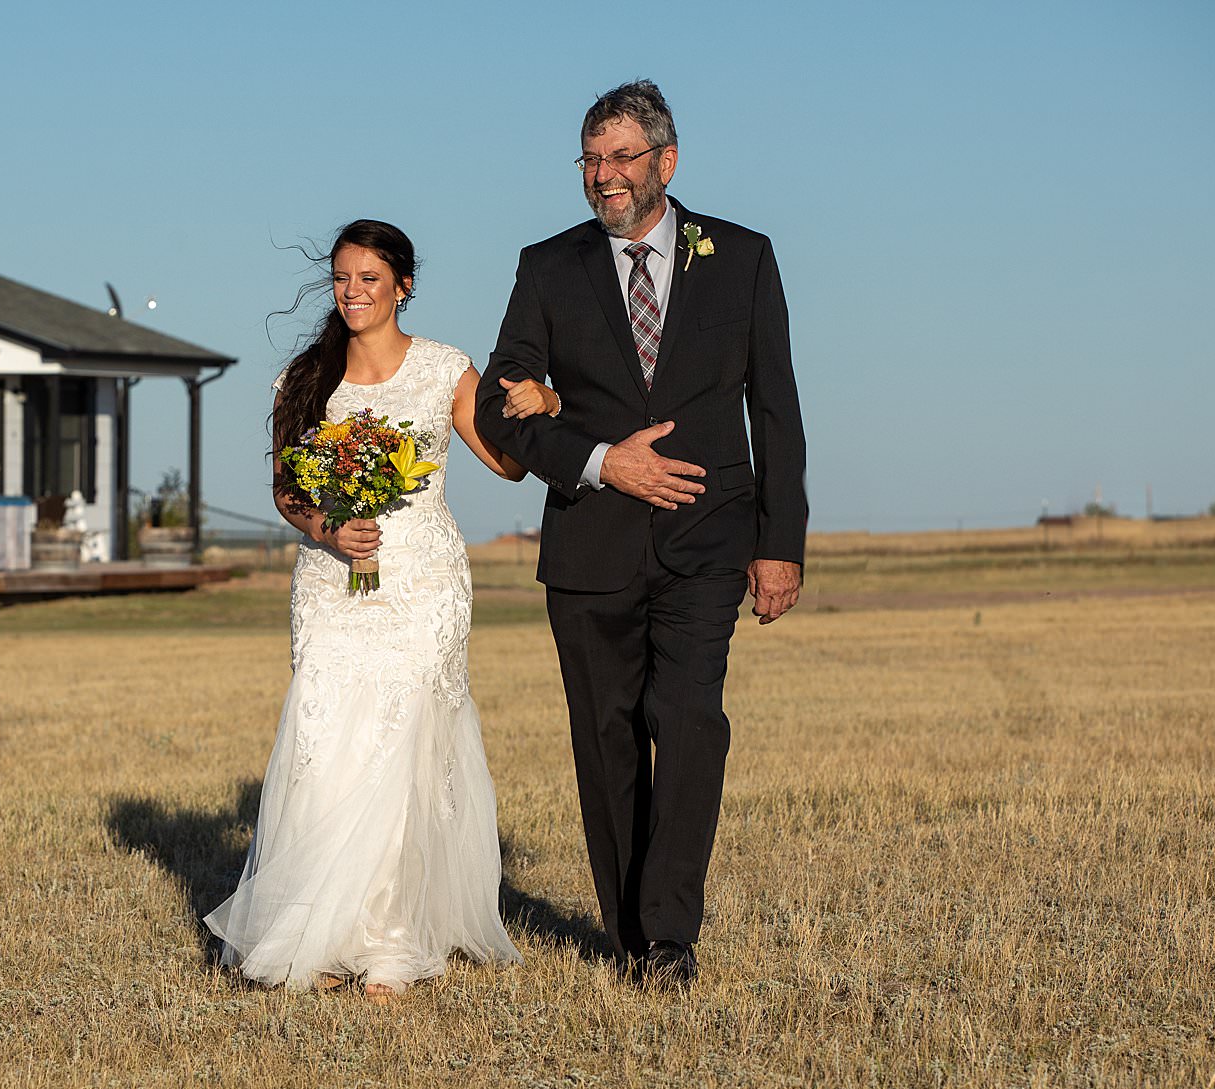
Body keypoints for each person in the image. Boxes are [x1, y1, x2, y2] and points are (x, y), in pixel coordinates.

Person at [474, 80, 809, 987]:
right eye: (590, 158)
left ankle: (669, 935)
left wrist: (781, 542)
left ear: (667, 161)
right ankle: (629, 934)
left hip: (707, 542)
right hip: (589, 546)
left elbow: (774, 408)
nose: (602, 176)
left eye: (621, 157)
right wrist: (596, 459)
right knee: (608, 736)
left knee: (689, 720)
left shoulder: (741, 257)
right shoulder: (548, 267)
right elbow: (504, 413)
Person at [204, 219, 555, 1001]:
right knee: (327, 750)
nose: (353, 293)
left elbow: (504, 464)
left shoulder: (443, 368)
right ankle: (320, 935)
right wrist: (330, 526)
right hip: (333, 584)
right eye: (342, 279)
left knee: (404, 751)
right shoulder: (307, 378)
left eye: (369, 278)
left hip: (422, 583)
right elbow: (287, 493)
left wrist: (548, 403)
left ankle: (394, 940)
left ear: (403, 284)